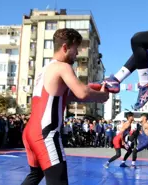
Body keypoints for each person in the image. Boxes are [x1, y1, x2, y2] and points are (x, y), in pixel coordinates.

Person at [21, 28, 109, 185]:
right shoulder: (63, 67)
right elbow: (82, 92)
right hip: (45, 133)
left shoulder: (45, 69)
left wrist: (96, 90)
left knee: (35, 176)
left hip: (30, 132)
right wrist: (102, 96)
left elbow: (69, 95)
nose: (77, 53)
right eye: (76, 48)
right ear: (65, 47)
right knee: (59, 181)